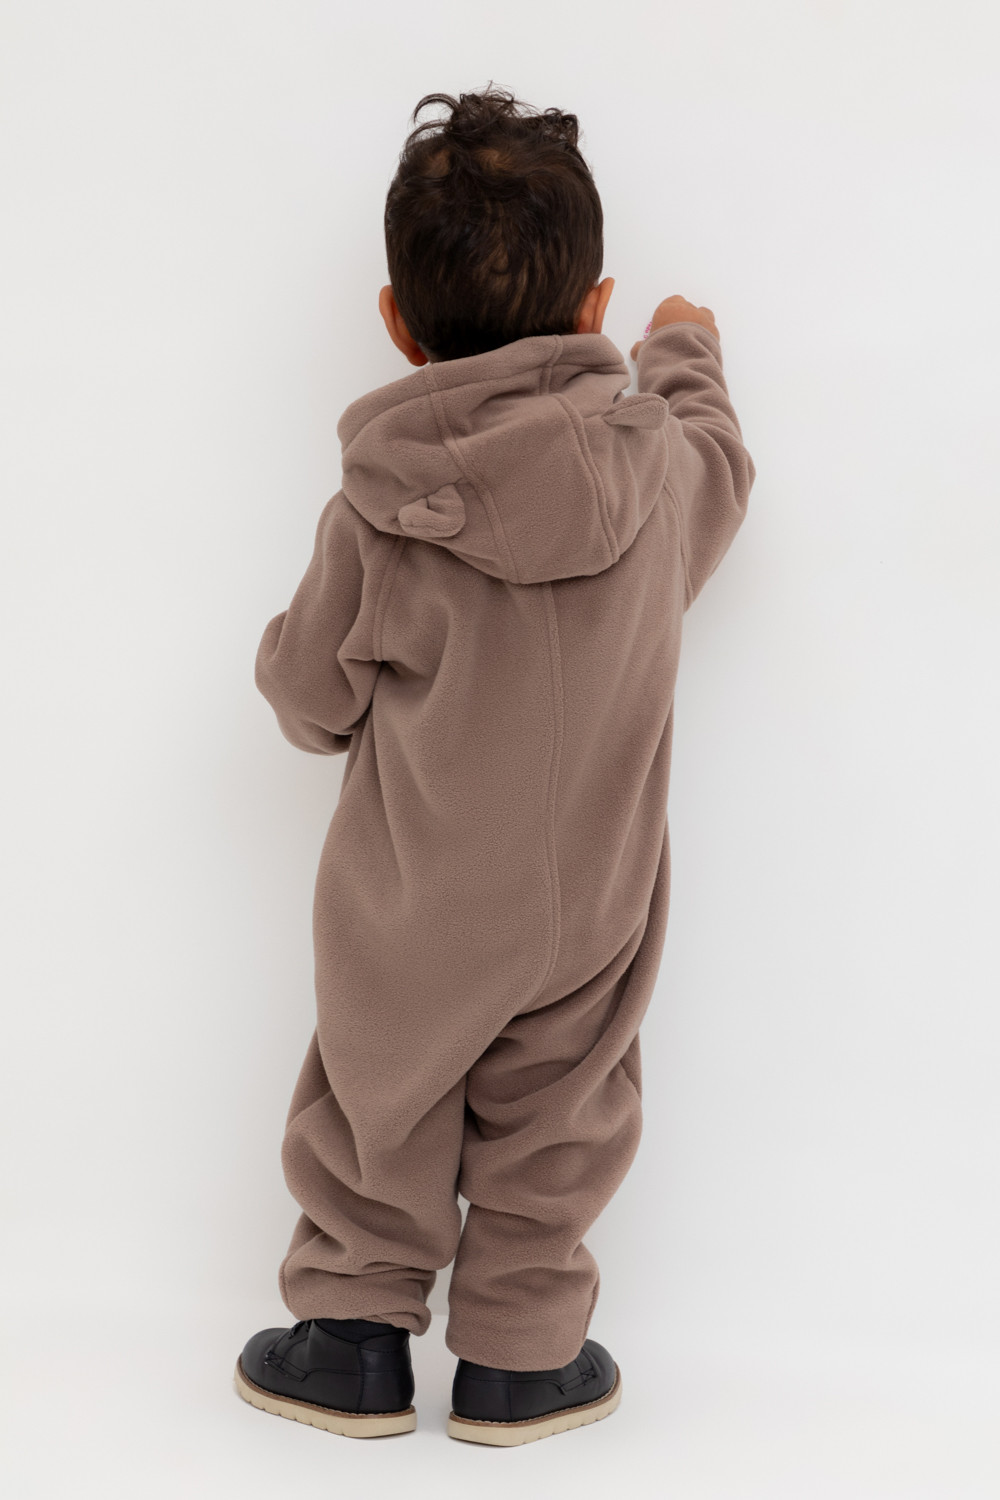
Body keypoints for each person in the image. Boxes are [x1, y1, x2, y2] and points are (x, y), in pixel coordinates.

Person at [233, 83, 755, 1446]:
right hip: (590, 905)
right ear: (596, 308)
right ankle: (521, 1364)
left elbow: (311, 701)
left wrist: (285, 656)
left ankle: (350, 1348)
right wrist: (685, 350)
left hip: (412, 903)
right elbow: (721, 459)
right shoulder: (657, 484)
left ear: (397, 323)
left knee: (376, 1103)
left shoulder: (380, 513)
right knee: (563, 1118)